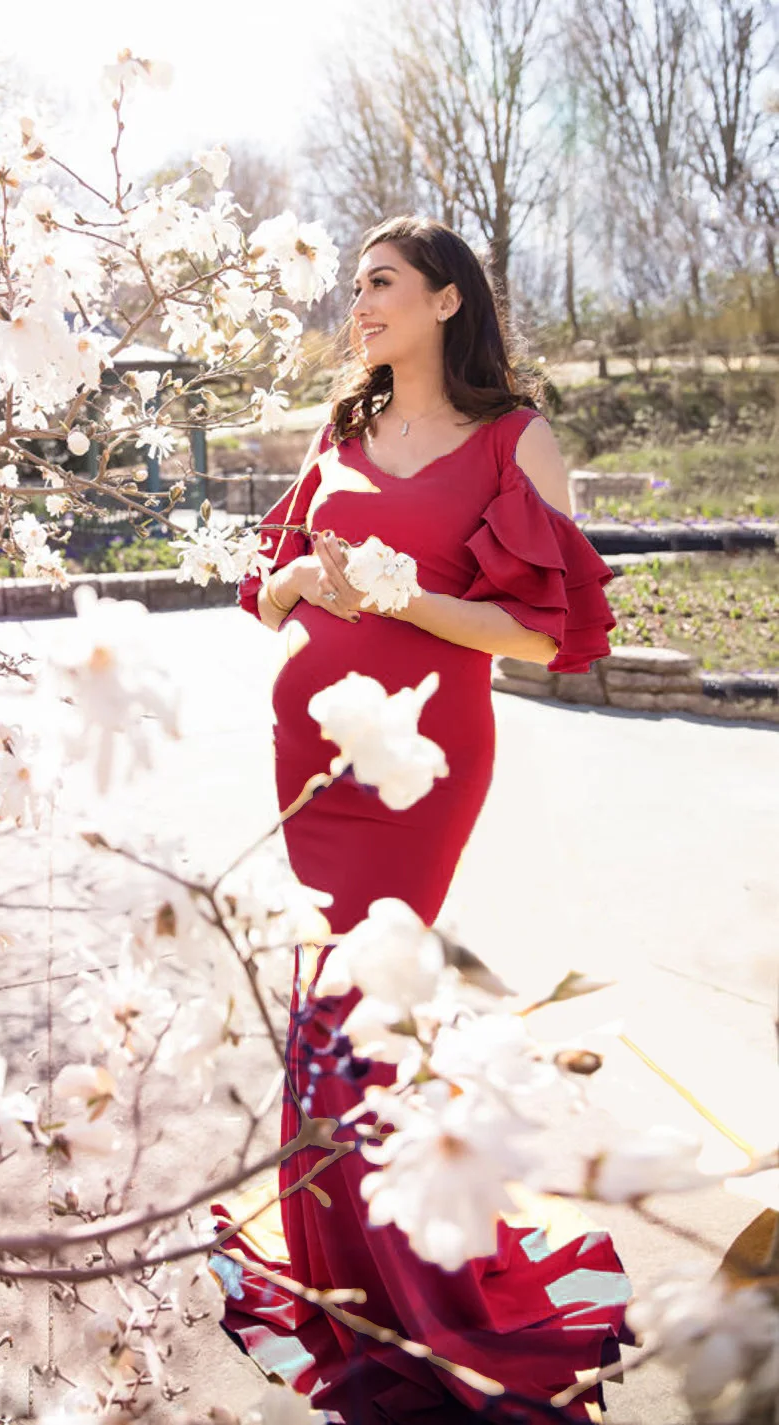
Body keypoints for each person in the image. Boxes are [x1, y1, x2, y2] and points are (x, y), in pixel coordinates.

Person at [213, 216, 631, 1423]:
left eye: (382, 284)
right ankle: (352, 1270)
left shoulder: (515, 439)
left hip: (421, 771)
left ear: (449, 301)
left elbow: (543, 636)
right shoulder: (340, 430)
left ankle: (414, 1296)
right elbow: (268, 585)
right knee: (329, 1004)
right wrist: (303, 584)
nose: (360, 303)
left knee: (353, 1008)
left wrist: (410, 596)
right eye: (354, 287)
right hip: (312, 760)